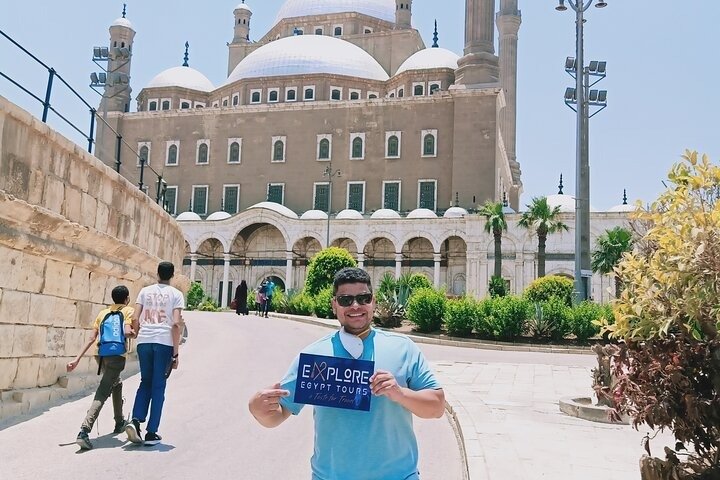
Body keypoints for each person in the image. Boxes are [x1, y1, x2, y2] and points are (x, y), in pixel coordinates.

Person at [248, 267, 445, 480]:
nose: (355, 306)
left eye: (363, 298)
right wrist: (257, 408)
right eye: (345, 300)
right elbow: (278, 414)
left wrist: (400, 394)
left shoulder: (403, 348)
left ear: (373, 301)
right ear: (334, 305)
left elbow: (436, 407)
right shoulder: (315, 355)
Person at [68, 285, 135, 450]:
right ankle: (84, 430)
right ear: (126, 299)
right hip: (117, 356)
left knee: (116, 383)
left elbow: (92, 338)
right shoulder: (128, 311)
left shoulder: (103, 313)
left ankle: (119, 421)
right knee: (103, 392)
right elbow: (127, 332)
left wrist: (76, 360)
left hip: (101, 355)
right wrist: (133, 333)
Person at [125, 261, 185, 446]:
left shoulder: (144, 291)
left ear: (157, 274)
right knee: (158, 386)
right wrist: (175, 354)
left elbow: (135, 317)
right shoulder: (176, 294)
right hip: (163, 342)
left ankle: (135, 420)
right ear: (172, 275)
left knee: (145, 381)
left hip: (144, 340)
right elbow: (175, 324)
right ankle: (151, 432)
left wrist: (137, 333)